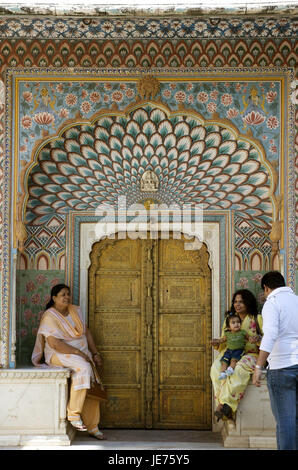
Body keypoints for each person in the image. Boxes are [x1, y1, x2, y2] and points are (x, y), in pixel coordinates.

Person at [32, 283, 106, 440]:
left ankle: (93, 426)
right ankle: (73, 414)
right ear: (54, 298)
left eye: (68, 294)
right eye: (62, 295)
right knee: (84, 369)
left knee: (91, 380)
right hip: (58, 354)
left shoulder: (75, 310)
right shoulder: (49, 316)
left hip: (81, 355)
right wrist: (79, 353)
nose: (66, 297)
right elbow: (54, 344)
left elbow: (86, 333)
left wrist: (95, 353)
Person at [252, 271, 298, 450]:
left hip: (281, 367)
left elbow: (270, 335)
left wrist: (258, 366)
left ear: (266, 288)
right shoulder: (296, 300)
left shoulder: (272, 303)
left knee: (285, 422)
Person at [210, 289, 263, 421]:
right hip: (230, 352)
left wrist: (257, 340)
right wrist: (217, 343)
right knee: (216, 369)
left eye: (241, 302)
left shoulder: (257, 319)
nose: (237, 305)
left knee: (238, 369)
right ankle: (225, 407)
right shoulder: (229, 320)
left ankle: (224, 405)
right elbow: (223, 342)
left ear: (248, 303)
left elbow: (267, 340)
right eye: (235, 302)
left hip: (250, 354)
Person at [212, 313, 251, 381]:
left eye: (238, 322)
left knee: (233, 360)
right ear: (228, 327)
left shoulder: (243, 332)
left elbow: (249, 338)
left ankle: (230, 370)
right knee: (224, 361)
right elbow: (222, 340)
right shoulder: (227, 334)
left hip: (239, 351)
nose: (236, 324)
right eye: (233, 323)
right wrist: (217, 341)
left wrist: (253, 338)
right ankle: (223, 373)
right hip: (229, 351)